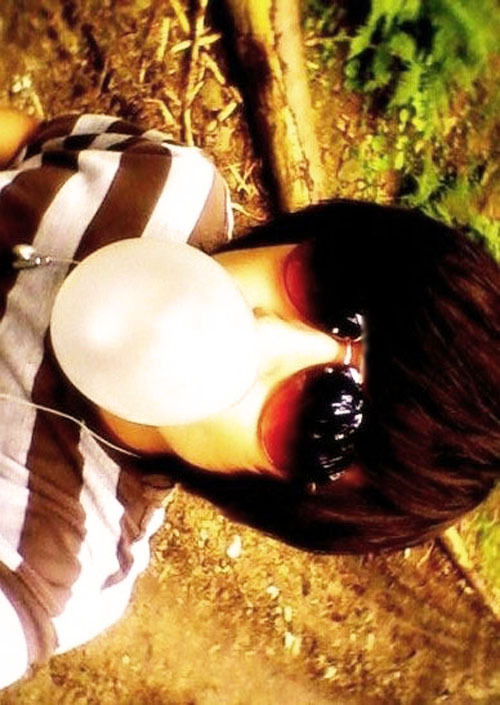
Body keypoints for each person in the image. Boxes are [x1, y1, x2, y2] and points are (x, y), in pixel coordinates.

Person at [0, 107, 498, 688]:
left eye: (322, 421)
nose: (266, 333)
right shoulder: (165, 180)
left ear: (275, 497)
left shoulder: (55, 567)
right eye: (328, 285)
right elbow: (24, 140)